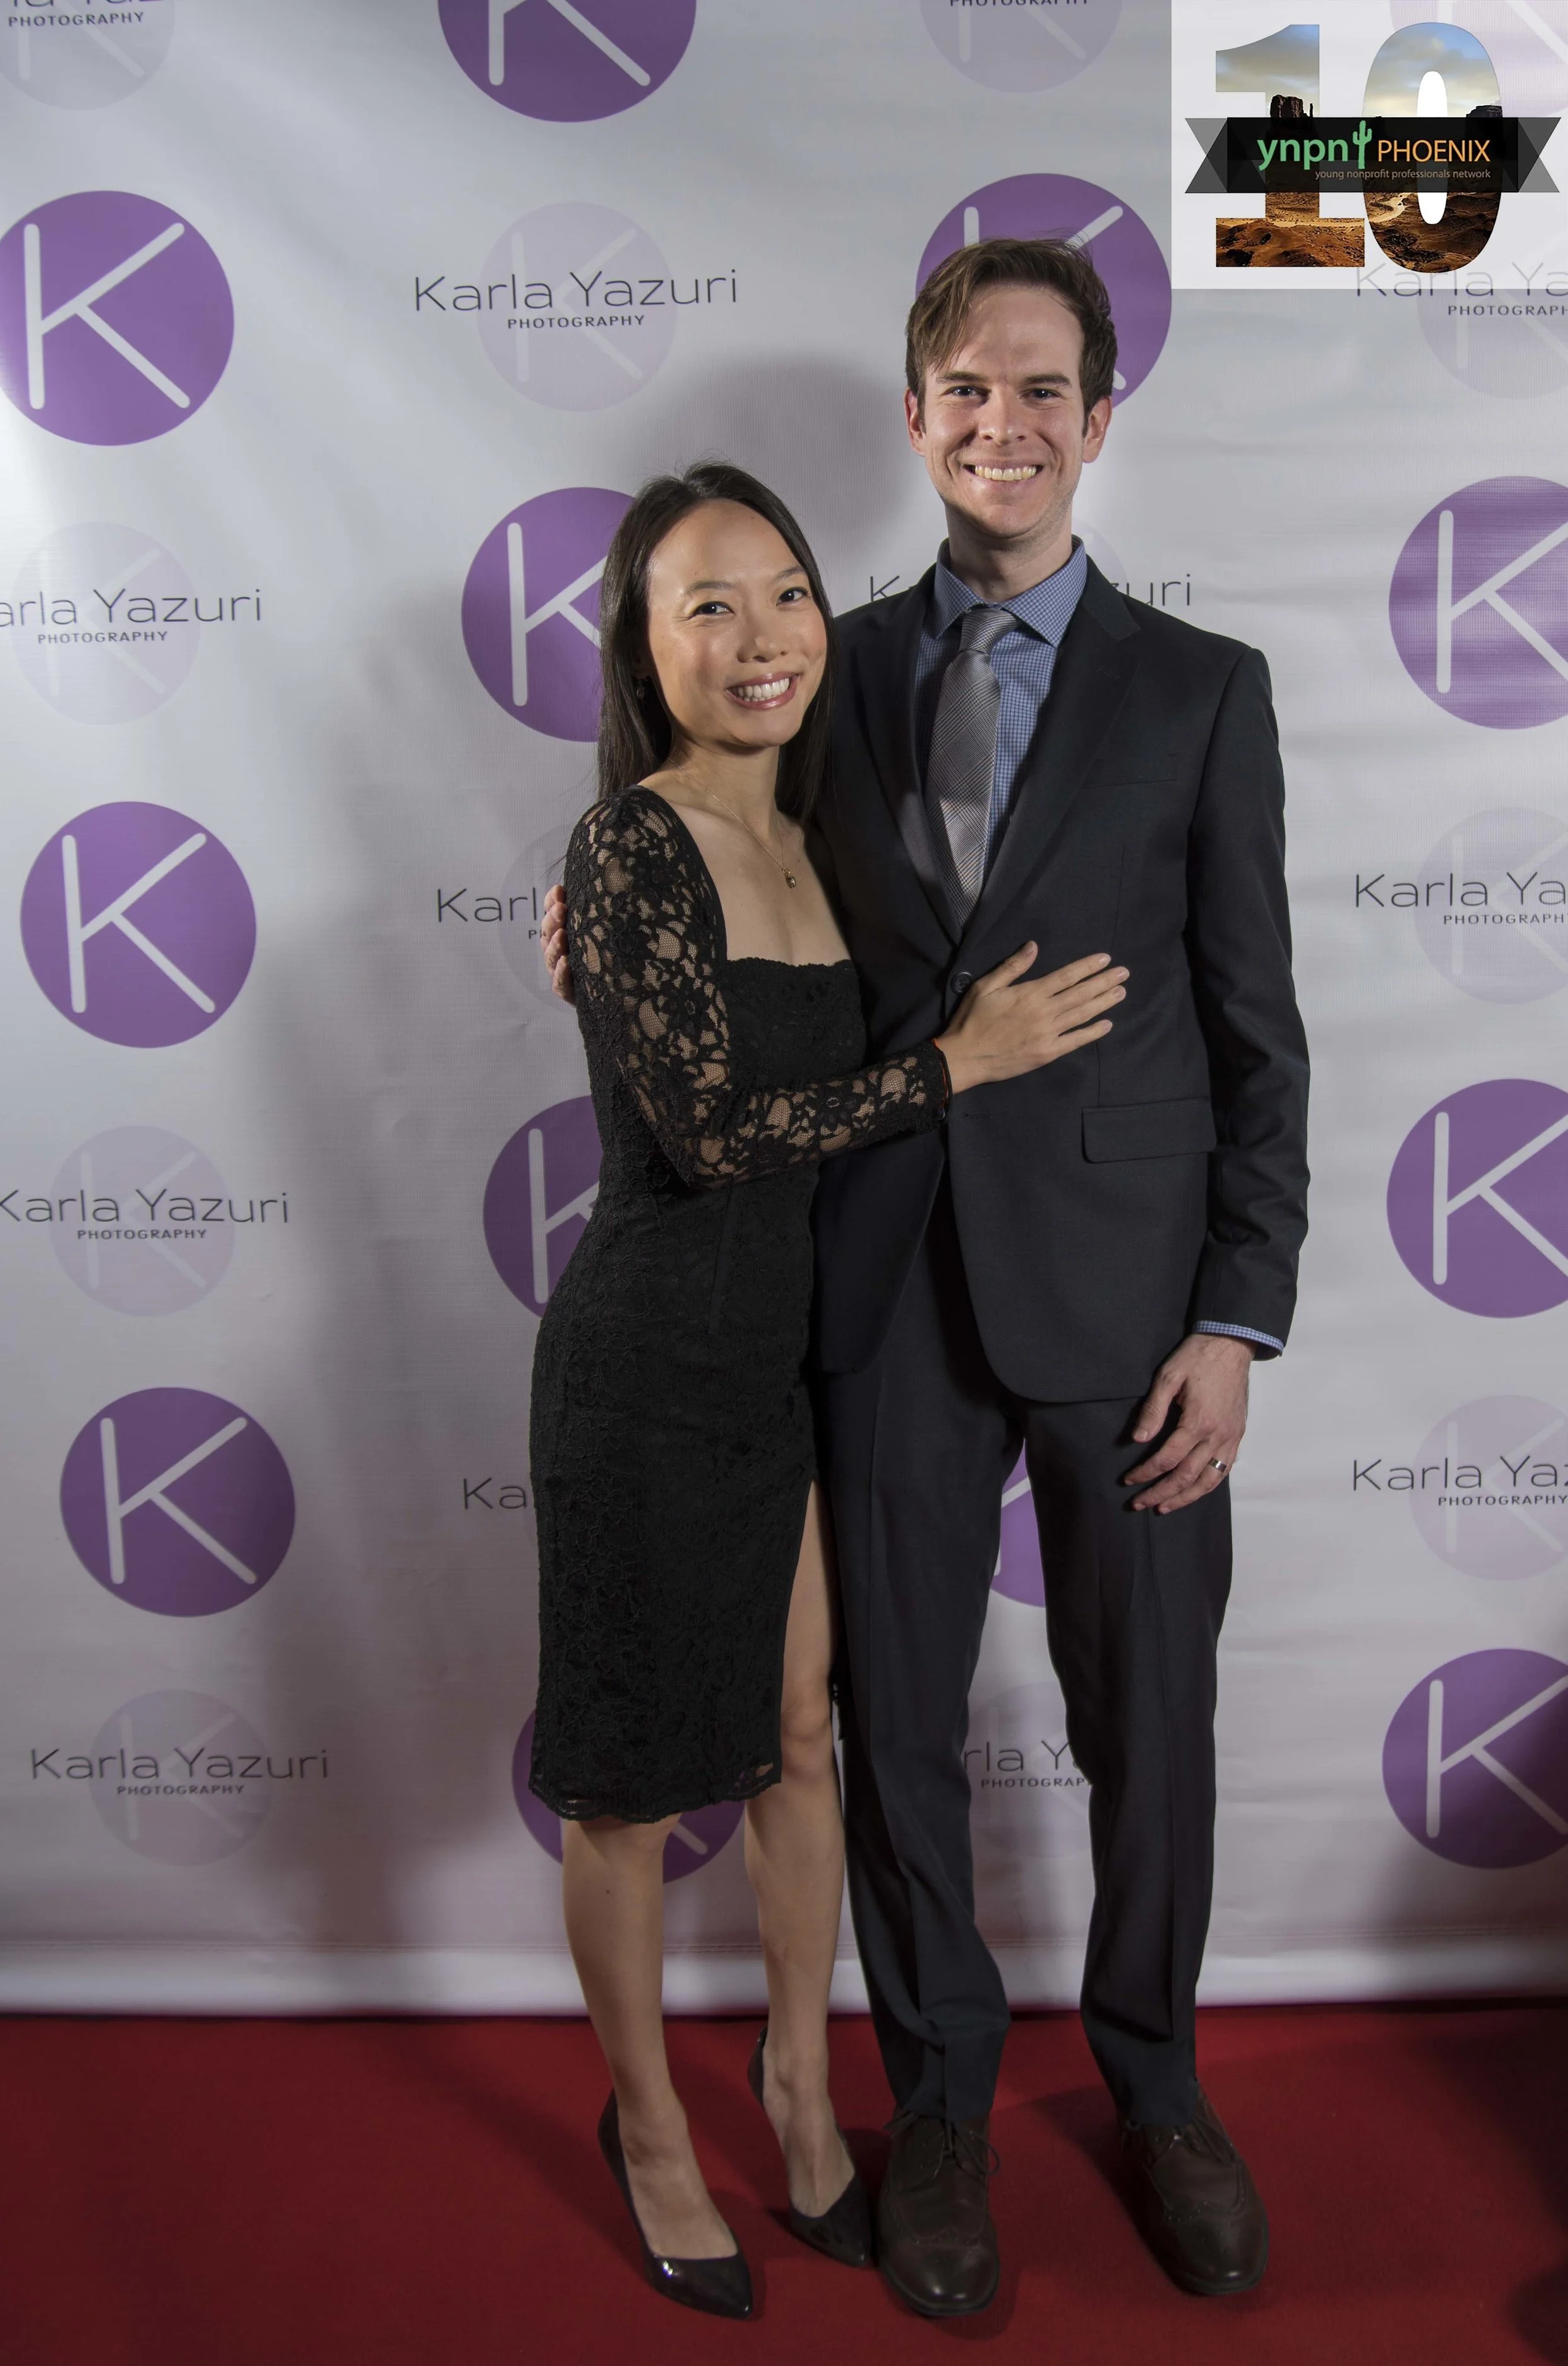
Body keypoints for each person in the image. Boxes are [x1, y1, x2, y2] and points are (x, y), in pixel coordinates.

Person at [544, 237, 1309, 2317]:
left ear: (1098, 418)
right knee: (885, 1732)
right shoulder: (829, 667)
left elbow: (1256, 1029)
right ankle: (941, 2103)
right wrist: (589, 907)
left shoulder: (1201, 690)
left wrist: (1234, 1317)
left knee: (1150, 1718)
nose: (1003, 421)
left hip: (1131, 1308)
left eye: (1042, 387)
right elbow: (707, 853)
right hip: (874, 1299)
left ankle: (1157, 2087)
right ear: (915, 418)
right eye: (966, 386)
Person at [528, 457, 1129, 2320]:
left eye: (783, 592)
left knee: (803, 1738)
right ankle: (646, 2130)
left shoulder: (825, 823)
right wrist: (956, 1065)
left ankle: (799, 2083)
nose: (760, 636)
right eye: (704, 606)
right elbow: (709, 1135)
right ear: (642, 647)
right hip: (646, 1368)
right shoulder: (627, 848)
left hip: (796, 1365)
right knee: (632, 1787)